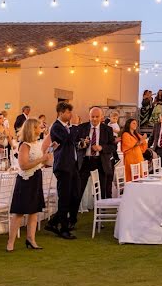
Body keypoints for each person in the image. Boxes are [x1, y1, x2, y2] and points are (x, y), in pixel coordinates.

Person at [7, 118, 53, 252]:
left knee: (34, 211)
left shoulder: (37, 143)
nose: (41, 129)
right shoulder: (25, 145)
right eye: (39, 127)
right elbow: (24, 165)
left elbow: (38, 162)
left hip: (36, 177)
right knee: (19, 212)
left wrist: (45, 159)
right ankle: (11, 242)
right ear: (33, 129)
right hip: (26, 180)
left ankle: (31, 239)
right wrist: (42, 159)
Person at [45, 102, 80, 240]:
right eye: (68, 112)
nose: (70, 115)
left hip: (72, 165)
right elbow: (67, 140)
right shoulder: (56, 127)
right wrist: (75, 126)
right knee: (64, 198)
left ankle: (53, 222)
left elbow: (73, 141)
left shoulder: (66, 127)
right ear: (60, 113)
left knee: (75, 195)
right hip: (63, 167)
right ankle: (63, 229)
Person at [76, 107, 117, 200]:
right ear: (89, 116)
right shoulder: (82, 127)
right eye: (92, 116)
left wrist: (102, 148)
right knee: (79, 189)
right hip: (85, 161)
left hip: (101, 162)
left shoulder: (108, 129)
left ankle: (101, 210)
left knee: (102, 189)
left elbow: (113, 147)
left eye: (97, 116)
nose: (94, 119)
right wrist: (81, 144)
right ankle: (74, 212)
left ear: (102, 117)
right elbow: (75, 143)